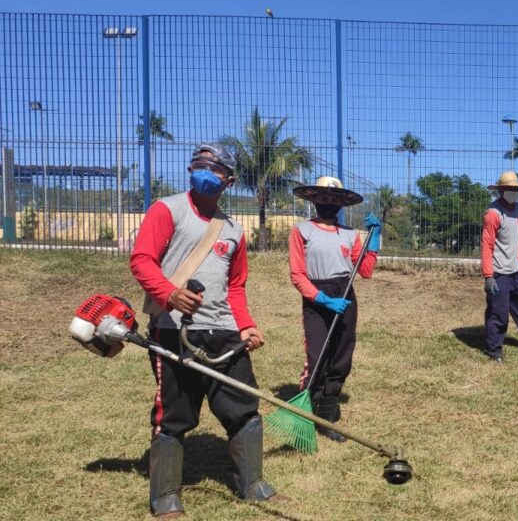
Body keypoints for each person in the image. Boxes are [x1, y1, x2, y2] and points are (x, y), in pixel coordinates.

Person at [129, 144, 289, 518]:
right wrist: (170, 294)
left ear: (229, 180)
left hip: (225, 333)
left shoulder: (233, 229)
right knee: (174, 415)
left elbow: (235, 286)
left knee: (244, 409)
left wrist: (246, 325)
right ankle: (166, 497)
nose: (205, 171)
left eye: (214, 168)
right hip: (174, 331)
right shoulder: (167, 209)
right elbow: (142, 260)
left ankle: (252, 485)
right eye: (199, 165)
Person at [288, 176, 380, 441]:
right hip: (317, 299)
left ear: (341, 204)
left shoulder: (350, 235)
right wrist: (322, 299)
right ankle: (307, 411)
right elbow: (297, 275)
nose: (328, 203)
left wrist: (374, 239)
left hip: (345, 294)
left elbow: (365, 271)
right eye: (323, 198)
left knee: (341, 355)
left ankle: (327, 414)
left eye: (333, 199)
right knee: (318, 356)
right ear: (314, 200)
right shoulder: (302, 231)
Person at [480, 170, 518, 363]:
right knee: (499, 313)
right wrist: (488, 276)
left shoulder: (516, 210)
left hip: (514, 271)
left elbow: (514, 239)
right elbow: (487, 245)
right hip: (499, 273)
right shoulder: (493, 214)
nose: (514, 191)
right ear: (501, 190)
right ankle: (494, 350)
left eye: (516, 188)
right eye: (511, 189)